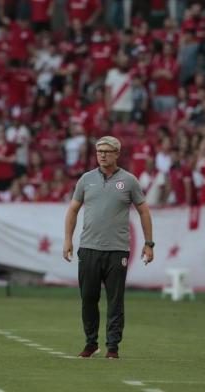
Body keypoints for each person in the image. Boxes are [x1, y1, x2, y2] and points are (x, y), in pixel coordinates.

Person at [63, 136, 154, 359]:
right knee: (88, 299)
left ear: (116, 154)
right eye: (99, 151)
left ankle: (112, 347)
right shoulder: (86, 179)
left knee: (115, 301)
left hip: (117, 250)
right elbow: (73, 209)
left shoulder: (129, 181)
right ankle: (90, 343)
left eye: (106, 151)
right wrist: (68, 239)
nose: (102, 154)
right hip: (89, 248)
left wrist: (149, 243)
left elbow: (144, 211)